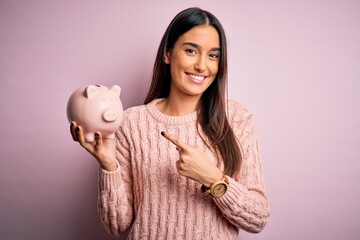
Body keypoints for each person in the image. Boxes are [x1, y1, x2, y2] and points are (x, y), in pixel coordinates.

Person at [70, 7, 270, 240]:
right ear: (167, 54)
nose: (202, 66)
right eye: (191, 50)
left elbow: (257, 218)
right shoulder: (131, 123)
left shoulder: (237, 119)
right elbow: (118, 225)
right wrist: (108, 165)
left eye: (213, 55)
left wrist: (212, 178)